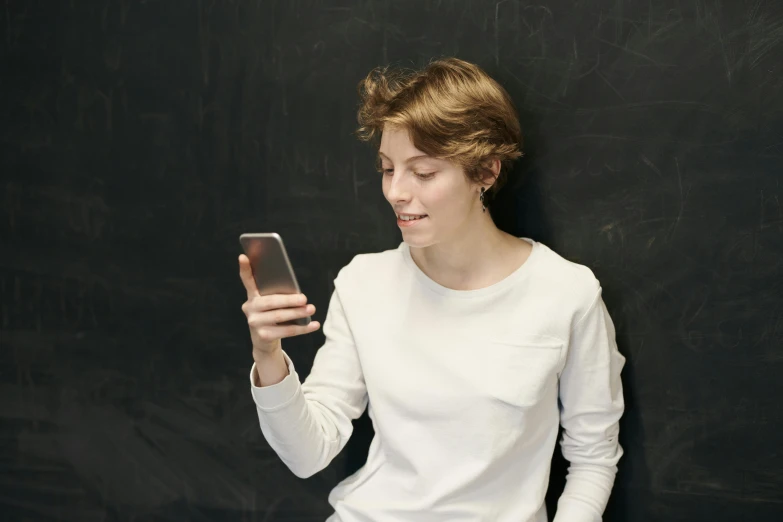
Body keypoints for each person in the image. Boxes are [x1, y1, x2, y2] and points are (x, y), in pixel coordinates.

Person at [238, 57, 626, 522]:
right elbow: (308, 454)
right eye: (387, 168)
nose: (396, 192)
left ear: (485, 173)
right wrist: (268, 355)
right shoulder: (364, 282)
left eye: (422, 173)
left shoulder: (566, 293)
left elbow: (593, 458)